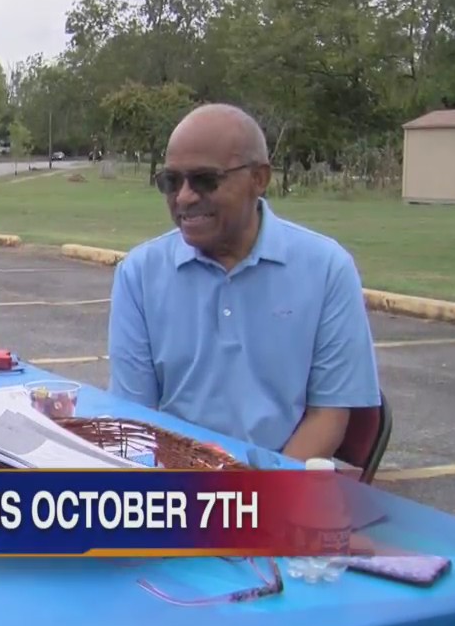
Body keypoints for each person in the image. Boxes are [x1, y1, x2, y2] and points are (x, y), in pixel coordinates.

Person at [107, 103, 381, 461]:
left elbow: (327, 417)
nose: (185, 197)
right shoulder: (139, 273)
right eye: (171, 181)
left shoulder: (328, 269)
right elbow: (133, 417)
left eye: (205, 180)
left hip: (278, 488)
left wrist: (256, 498)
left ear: (259, 179)